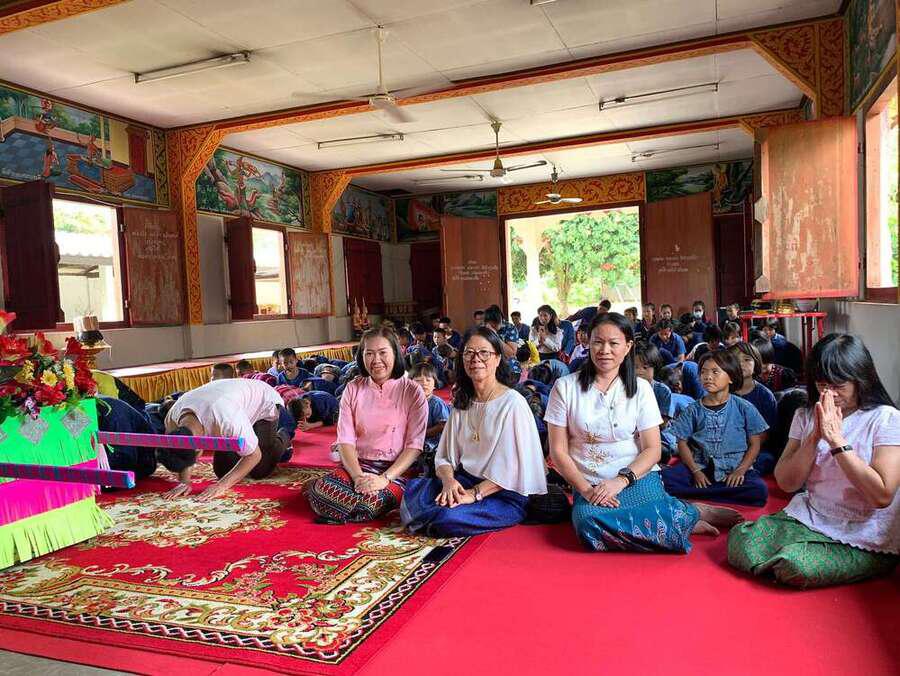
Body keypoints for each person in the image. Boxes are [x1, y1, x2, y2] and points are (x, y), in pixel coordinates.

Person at [546, 313, 742, 553]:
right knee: (588, 525)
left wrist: (620, 481)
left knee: (632, 513)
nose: (605, 350)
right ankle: (684, 517)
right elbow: (558, 451)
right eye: (598, 342)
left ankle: (685, 514)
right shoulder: (565, 387)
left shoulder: (641, 389)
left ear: (628, 347)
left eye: (613, 343)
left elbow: (653, 449)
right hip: (590, 483)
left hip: (635, 476)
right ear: (588, 342)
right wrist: (587, 490)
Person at [728, 334, 899, 588]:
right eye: (822, 385)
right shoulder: (805, 415)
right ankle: (782, 557)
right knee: (739, 541)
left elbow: (881, 496)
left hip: (864, 529)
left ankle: (786, 559)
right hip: (813, 514)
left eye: (838, 385)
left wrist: (836, 441)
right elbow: (786, 483)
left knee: (795, 565)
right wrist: (815, 436)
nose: (829, 393)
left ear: (861, 378)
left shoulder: (886, 419)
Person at [401, 327, 547, 536]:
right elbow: (445, 456)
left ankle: (439, 516)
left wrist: (474, 494)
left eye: (484, 353)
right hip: (464, 480)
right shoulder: (463, 401)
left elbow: (513, 469)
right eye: (469, 353)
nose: (475, 359)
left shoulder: (513, 403)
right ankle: (438, 511)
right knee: (415, 490)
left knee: (448, 517)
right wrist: (449, 482)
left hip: (502, 492)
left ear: (497, 359)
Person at [307, 327, 428, 523]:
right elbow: (345, 440)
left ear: (395, 353)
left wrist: (384, 479)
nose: (376, 360)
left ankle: (345, 508)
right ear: (361, 357)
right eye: (369, 353)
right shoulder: (353, 388)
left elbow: (414, 445)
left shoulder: (412, 391)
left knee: (371, 503)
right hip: (359, 466)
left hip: (397, 470)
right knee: (322, 490)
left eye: (382, 353)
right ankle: (349, 507)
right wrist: (357, 477)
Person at [661, 350, 769, 506]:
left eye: (715, 372)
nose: (708, 377)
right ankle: (720, 493)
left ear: (731, 377)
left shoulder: (744, 407)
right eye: (703, 372)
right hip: (700, 466)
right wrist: (696, 472)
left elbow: (755, 443)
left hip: (734, 467)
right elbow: (682, 443)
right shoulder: (692, 409)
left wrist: (740, 470)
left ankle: (701, 494)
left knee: (759, 490)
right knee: (664, 480)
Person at [162, 378, 289, 500]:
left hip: (264, 401)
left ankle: (284, 436)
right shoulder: (172, 420)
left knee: (260, 469)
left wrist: (221, 486)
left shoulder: (226, 419)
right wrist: (184, 482)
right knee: (222, 471)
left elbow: (254, 455)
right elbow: (184, 449)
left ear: (198, 448)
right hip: (229, 401)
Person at [728, 342, 779, 474]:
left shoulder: (765, 396)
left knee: (766, 460)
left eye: (747, 360)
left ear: (756, 364)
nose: (741, 364)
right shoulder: (723, 391)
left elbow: (765, 434)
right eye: (735, 360)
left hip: (756, 449)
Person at [633, 342, 673, 459]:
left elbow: (663, 423)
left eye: (645, 367)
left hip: (657, 433)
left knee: (665, 451)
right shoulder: (625, 389)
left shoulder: (663, 391)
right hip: (632, 434)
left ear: (655, 368)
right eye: (635, 367)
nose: (639, 371)